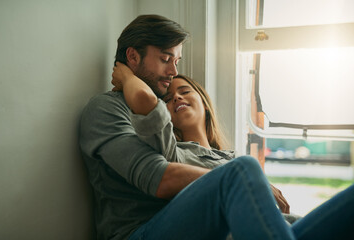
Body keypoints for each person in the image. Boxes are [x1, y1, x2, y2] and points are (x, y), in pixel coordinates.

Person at [79, 14, 289, 240]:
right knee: (243, 168)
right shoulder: (105, 108)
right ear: (132, 56)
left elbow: (168, 153)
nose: (173, 72)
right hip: (138, 232)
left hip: (179, 221)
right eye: (165, 59)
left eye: (176, 61)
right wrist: (241, 182)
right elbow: (158, 177)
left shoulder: (162, 119)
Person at [111, 62, 354, 240]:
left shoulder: (230, 160)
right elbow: (146, 104)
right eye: (167, 98)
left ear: (204, 103)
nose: (175, 97)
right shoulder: (171, 150)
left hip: (282, 230)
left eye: (184, 91)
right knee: (245, 166)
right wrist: (125, 74)